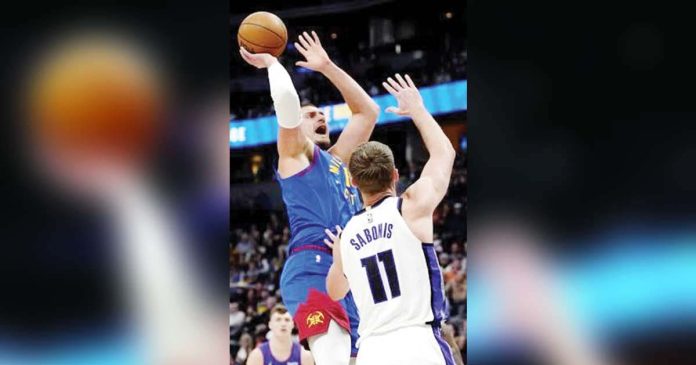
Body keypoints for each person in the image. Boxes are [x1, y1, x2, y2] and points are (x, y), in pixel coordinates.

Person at [239, 29, 380, 364]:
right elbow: (287, 107)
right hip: (311, 267)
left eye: (322, 113)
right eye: (311, 114)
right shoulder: (295, 157)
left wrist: (327, 66)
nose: (321, 116)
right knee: (333, 355)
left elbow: (368, 112)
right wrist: (273, 65)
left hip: (348, 272)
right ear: (296, 128)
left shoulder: (339, 160)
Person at [325, 74, 457, 364]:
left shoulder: (346, 234)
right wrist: (418, 110)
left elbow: (334, 292)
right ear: (395, 175)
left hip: (372, 350)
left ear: (354, 183)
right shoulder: (410, 207)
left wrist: (338, 258)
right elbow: (444, 152)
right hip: (418, 343)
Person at [247, 305, 314, 365]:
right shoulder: (257, 356)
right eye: (278, 320)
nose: (283, 324)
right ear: (270, 324)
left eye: (287, 320)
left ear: (293, 324)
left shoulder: (305, 355)